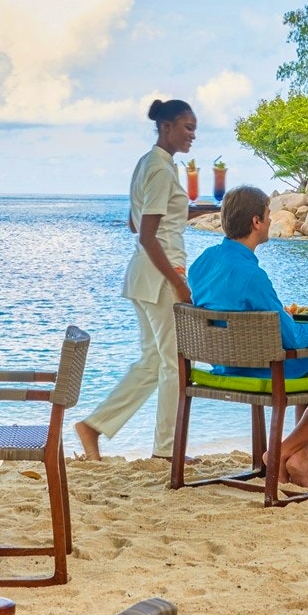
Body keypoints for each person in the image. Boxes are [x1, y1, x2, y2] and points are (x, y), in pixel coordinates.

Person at [188, 186, 308, 487]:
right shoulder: (252, 276)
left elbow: (220, 302)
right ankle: (280, 452)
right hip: (265, 369)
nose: (271, 221)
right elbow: (293, 339)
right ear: (256, 221)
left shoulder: (203, 262)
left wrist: (273, 314)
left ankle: (298, 456)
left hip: (223, 366)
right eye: (269, 215)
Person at [75, 99, 196, 461]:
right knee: (175, 363)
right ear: (167, 127)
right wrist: (178, 282)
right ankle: (167, 451)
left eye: (194, 128)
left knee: (152, 363)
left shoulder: (148, 164)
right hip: (161, 277)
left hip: (142, 275)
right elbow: (145, 234)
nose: (192, 135)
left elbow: (135, 222)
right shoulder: (161, 170)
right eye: (187, 127)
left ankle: (93, 426)